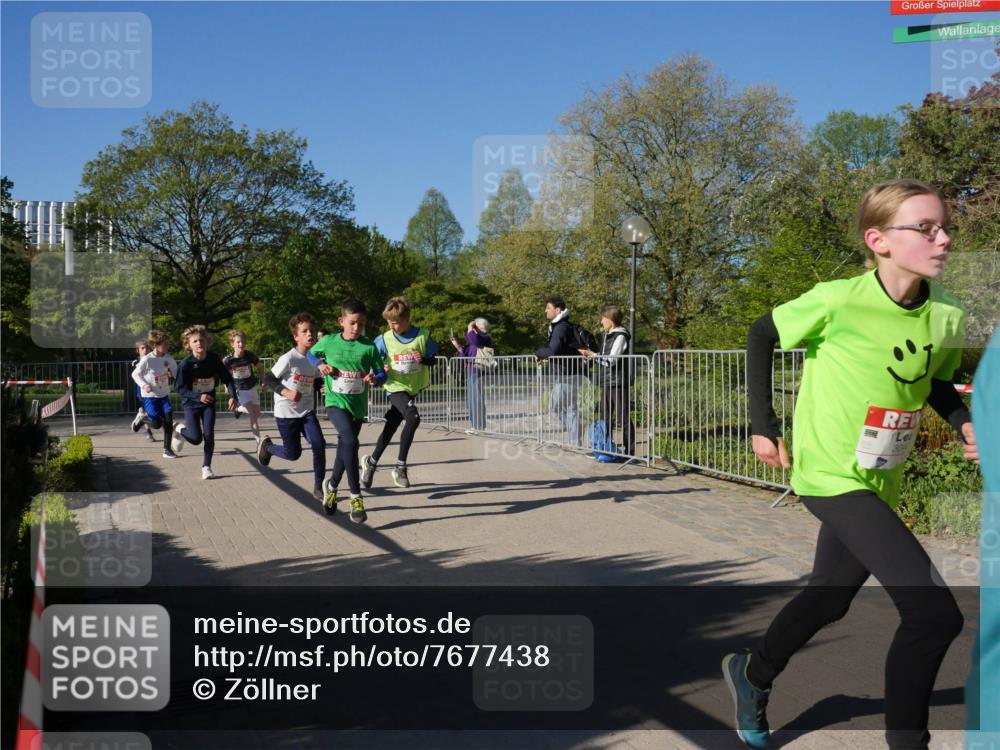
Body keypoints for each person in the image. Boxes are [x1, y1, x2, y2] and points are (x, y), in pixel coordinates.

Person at [723, 179, 978, 750]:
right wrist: (762, 427)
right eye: (925, 228)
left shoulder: (949, 315)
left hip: (879, 476)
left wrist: (963, 419)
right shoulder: (838, 299)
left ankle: (752, 672)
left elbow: (935, 382)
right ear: (879, 239)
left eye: (946, 228)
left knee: (829, 597)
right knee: (934, 616)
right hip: (828, 472)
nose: (943, 239)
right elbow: (762, 332)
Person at [310, 300, 385, 523]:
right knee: (351, 443)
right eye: (352, 323)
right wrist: (320, 365)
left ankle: (331, 487)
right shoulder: (329, 341)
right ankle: (356, 496)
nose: (356, 327)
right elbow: (311, 354)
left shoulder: (369, 346)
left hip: (357, 407)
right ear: (341, 321)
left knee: (346, 446)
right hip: (335, 403)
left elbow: (382, 375)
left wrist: (375, 378)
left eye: (361, 323)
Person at [361, 296, 440, 490]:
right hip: (394, 386)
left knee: (392, 426)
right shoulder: (383, 339)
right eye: (388, 322)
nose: (391, 326)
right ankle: (400, 467)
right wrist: (380, 370)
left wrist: (422, 359)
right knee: (413, 418)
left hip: (411, 388)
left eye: (395, 323)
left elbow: (433, 359)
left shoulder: (423, 335)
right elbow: (372, 360)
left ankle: (370, 463)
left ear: (407, 319)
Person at [258, 313, 326, 502]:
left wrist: (321, 388)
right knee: (293, 454)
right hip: (286, 413)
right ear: (296, 337)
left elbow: (315, 381)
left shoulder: (316, 360)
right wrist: (286, 392)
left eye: (311, 330)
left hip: (306, 411)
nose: (310, 334)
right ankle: (268, 447)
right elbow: (269, 379)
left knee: (319, 445)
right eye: (304, 331)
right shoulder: (289, 358)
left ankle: (318, 487)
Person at [171, 325, 239, 480]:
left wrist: (232, 396)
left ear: (207, 342)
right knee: (195, 439)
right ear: (188, 345)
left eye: (201, 340)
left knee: (209, 435)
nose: (199, 343)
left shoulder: (214, 359)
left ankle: (206, 467)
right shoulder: (186, 364)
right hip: (191, 404)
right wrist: (197, 396)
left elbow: (227, 379)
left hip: (209, 403)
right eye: (194, 341)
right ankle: (179, 428)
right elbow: (179, 388)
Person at [579, 305, 635, 458]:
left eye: (603, 319)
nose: (601, 322)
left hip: (618, 381)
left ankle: (629, 453)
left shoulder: (621, 335)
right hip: (606, 381)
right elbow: (603, 359)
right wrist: (591, 358)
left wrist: (594, 355)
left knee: (622, 416)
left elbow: (611, 361)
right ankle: (605, 448)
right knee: (605, 417)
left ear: (610, 319)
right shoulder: (607, 335)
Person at [535, 295, 581, 447]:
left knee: (555, 408)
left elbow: (553, 350)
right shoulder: (562, 326)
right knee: (570, 408)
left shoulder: (560, 327)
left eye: (548, 308)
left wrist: (539, 352)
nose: (545, 311)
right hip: (569, 373)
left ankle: (576, 436)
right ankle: (575, 441)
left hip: (565, 374)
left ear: (558, 310)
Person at [130, 331, 178, 457]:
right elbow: (135, 374)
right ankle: (142, 420)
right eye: (165, 344)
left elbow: (176, 371)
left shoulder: (168, 358)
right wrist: (144, 385)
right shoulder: (147, 359)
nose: (167, 346)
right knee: (156, 424)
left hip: (164, 395)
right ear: (156, 345)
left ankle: (167, 450)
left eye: (168, 344)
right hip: (150, 397)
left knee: (168, 420)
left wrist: (174, 375)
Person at [450, 317, 492, 432]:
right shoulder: (476, 341)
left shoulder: (484, 338)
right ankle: (475, 425)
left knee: (476, 399)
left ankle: (479, 427)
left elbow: (473, 339)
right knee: (471, 399)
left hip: (478, 372)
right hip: (471, 372)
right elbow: (466, 355)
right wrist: (458, 347)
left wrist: (470, 327)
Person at [223, 330, 263, 446]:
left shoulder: (250, 356)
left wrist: (262, 380)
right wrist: (226, 386)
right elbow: (223, 373)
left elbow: (260, 367)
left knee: (257, 414)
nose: (241, 344)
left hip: (252, 388)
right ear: (232, 344)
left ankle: (238, 409)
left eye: (243, 342)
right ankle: (259, 443)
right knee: (253, 415)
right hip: (240, 390)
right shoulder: (228, 360)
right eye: (238, 342)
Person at [130, 340, 156, 442]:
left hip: (154, 389)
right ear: (138, 350)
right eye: (142, 348)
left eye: (147, 348)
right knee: (146, 411)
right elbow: (136, 376)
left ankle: (142, 421)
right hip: (142, 390)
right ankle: (148, 431)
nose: (145, 350)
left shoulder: (154, 360)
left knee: (154, 411)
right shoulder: (136, 362)